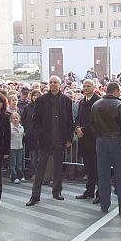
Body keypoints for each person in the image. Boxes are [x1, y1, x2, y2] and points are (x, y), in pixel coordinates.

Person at [26, 76, 73, 206]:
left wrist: (69, 138)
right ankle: (35, 196)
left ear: (60, 85)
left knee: (58, 167)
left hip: (60, 139)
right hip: (45, 140)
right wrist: (41, 134)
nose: (53, 84)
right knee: (40, 169)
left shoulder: (66, 100)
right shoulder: (41, 100)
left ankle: (57, 191)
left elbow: (70, 121)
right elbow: (35, 121)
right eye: (51, 82)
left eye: (55, 82)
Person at [90, 82, 121, 215]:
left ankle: (104, 204)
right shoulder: (120, 105)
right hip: (117, 141)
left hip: (101, 141)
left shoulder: (96, 104)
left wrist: (99, 137)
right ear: (116, 91)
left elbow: (92, 125)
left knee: (103, 175)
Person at [74, 79, 100, 202]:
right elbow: (78, 117)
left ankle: (100, 193)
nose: (86, 88)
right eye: (84, 86)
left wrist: (83, 129)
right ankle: (89, 191)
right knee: (88, 168)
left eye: (88, 86)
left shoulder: (98, 101)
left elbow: (96, 121)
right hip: (84, 140)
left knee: (97, 169)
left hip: (94, 140)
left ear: (94, 87)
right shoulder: (82, 102)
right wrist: (77, 128)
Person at [21, 89, 42, 178]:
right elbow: (24, 120)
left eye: (37, 95)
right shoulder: (27, 107)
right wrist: (25, 131)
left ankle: (41, 173)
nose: (35, 97)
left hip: (41, 134)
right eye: (34, 95)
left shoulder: (43, 107)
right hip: (31, 134)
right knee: (33, 155)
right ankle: (34, 173)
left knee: (41, 156)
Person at [10, 112, 25, 184]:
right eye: (13, 118)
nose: (15, 120)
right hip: (12, 147)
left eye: (17, 118)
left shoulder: (21, 127)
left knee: (19, 163)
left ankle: (20, 175)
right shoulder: (10, 127)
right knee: (13, 163)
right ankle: (14, 177)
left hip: (19, 147)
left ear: (19, 119)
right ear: (11, 119)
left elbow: (22, 137)